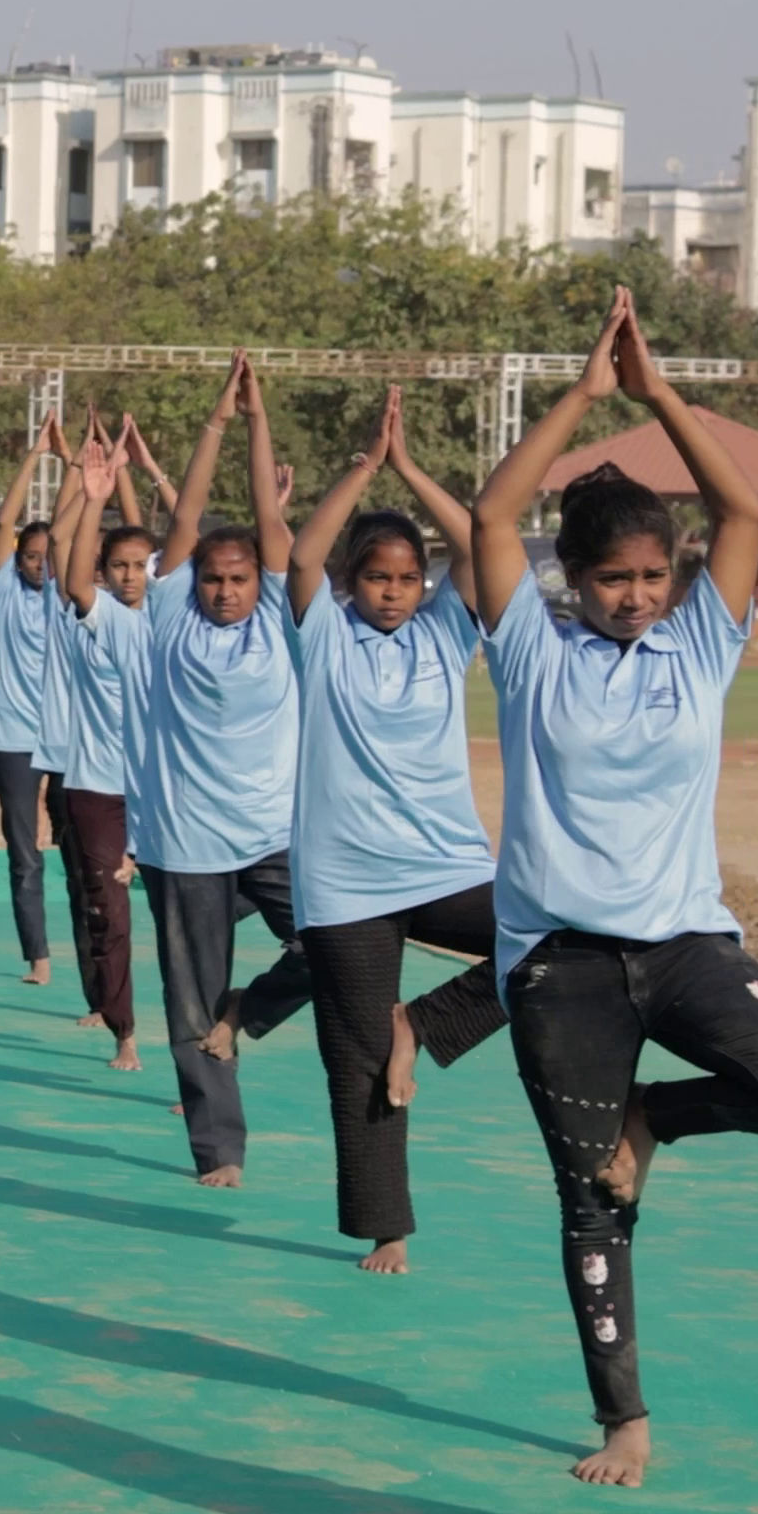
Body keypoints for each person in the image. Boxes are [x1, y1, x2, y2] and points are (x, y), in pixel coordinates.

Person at [470, 285, 758, 1490]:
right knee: (589, 1200)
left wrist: (655, 393)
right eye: (615, 577)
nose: (638, 595)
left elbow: (745, 506)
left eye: (654, 575)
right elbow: (498, 510)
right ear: (575, 576)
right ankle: (625, 1422)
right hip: (561, 964)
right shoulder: (529, 649)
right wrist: (579, 395)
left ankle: (654, 1118)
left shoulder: (701, 644)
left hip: (686, 945)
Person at [281, 386, 508, 1273]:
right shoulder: (324, 637)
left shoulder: (447, 635)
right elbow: (299, 559)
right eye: (377, 577)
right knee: (355, 1059)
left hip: (445, 862)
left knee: (549, 938)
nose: (394, 592)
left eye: (408, 579)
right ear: (353, 582)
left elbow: (483, 548)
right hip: (344, 882)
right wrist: (364, 469)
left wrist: (413, 468)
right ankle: (388, 1228)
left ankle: (429, 1020)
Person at [117, 366, 316, 1189]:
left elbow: (271, 525)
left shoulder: (277, 614)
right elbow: (188, 514)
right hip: (189, 843)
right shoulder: (167, 615)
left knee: (331, 947)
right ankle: (220, 1150)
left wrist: (258, 418)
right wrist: (213, 425)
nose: (227, 590)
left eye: (238, 579)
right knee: (187, 1002)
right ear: (190, 580)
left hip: (274, 834)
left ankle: (250, 1013)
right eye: (213, 578)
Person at [52, 435, 156, 1072]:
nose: (130, 577)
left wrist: (136, 476)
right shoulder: (99, 618)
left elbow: (173, 539)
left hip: (162, 791)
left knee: (191, 920)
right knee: (110, 911)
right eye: (119, 567)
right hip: (95, 787)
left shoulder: (173, 618)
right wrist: (94, 498)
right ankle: (125, 1029)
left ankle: (207, 1038)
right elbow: (73, 572)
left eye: (141, 567)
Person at [0, 430, 63, 985]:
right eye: (29, 557)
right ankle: (40, 955)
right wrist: (33, 456)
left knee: (81, 855)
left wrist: (76, 468)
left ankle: (101, 976)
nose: (36, 565)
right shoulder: (5, 594)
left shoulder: (67, 593)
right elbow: (5, 524)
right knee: (24, 851)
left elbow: (74, 528)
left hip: (67, 737)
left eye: (45, 557)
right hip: (13, 738)